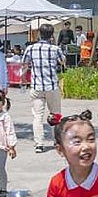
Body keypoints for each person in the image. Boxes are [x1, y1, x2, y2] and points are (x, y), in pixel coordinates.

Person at [25, 24, 64, 153]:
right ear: (51, 35)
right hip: (52, 85)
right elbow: (63, 62)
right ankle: (56, 140)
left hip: (36, 86)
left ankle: (39, 144)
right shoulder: (55, 49)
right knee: (55, 114)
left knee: (37, 116)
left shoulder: (30, 49)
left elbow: (24, 64)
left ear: (39, 34)